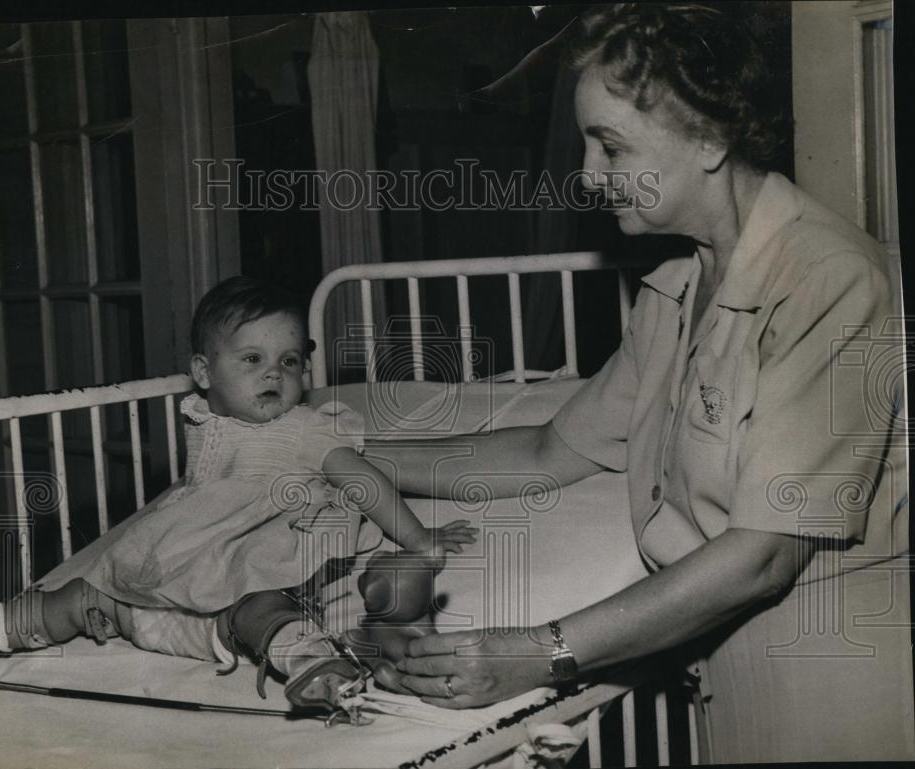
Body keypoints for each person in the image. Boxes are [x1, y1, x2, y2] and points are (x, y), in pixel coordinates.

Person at [364, 4, 911, 761]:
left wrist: (539, 650)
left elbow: (764, 553)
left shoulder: (827, 280)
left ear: (710, 139)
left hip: (832, 691)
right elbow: (548, 452)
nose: (590, 177)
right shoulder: (675, 289)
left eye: (611, 147)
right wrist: (356, 455)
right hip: (722, 677)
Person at [0, 277, 477, 712]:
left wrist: (418, 537)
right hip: (178, 585)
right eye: (252, 359)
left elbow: (363, 481)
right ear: (203, 371)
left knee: (263, 605)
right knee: (84, 594)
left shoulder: (306, 429)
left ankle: (309, 660)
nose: (275, 375)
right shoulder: (202, 417)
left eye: (289, 361)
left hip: (255, 575)